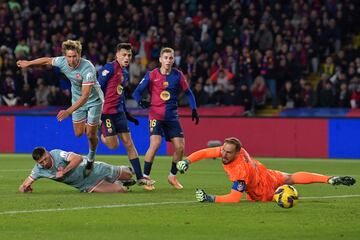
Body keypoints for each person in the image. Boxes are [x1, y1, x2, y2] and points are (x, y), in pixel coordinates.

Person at [176, 137, 356, 203]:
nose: (223, 154)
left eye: (228, 152)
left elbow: (234, 198)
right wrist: (188, 160)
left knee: (282, 187)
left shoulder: (240, 170)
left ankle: (282, 195)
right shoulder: (233, 149)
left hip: (261, 190)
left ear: (238, 153)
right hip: (264, 172)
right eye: (223, 150)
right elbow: (208, 151)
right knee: (289, 178)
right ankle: (329, 179)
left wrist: (210, 198)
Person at [17, 40, 104, 174]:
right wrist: (29, 63)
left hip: (94, 101)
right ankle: (93, 124)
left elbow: (85, 96)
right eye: (69, 56)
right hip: (77, 100)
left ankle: (91, 158)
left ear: (79, 55)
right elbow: (47, 60)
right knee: (79, 133)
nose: (71, 59)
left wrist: (68, 111)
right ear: (65, 56)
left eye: (74, 56)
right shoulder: (62, 61)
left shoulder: (88, 68)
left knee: (91, 134)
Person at [132, 47, 199, 190]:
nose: (168, 60)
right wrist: (140, 101)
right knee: (155, 144)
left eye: (171, 58)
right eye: (166, 58)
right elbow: (136, 92)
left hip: (172, 117)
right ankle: (146, 177)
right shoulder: (152, 74)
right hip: (156, 115)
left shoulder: (178, 75)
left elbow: (189, 92)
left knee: (180, 147)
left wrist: (194, 108)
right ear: (160, 59)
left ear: (173, 60)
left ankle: (172, 176)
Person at [98, 43, 153, 187]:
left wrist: (128, 115)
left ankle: (141, 177)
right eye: (124, 55)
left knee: (129, 144)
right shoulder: (109, 68)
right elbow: (97, 88)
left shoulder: (125, 73)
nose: (127, 57)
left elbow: (120, 95)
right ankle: (99, 132)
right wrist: (95, 112)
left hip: (119, 113)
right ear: (117, 55)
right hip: (106, 114)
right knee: (113, 145)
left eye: (129, 55)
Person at [19, 146, 136, 193]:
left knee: (129, 174)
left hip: (92, 169)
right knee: (121, 191)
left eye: (45, 159)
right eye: (41, 162)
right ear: (37, 163)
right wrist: (25, 189)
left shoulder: (57, 154)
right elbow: (23, 186)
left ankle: (129, 170)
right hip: (86, 185)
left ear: (48, 153)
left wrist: (64, 171)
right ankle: (119, 183)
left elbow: (78, 158)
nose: (44, 163)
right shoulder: (38, 170)